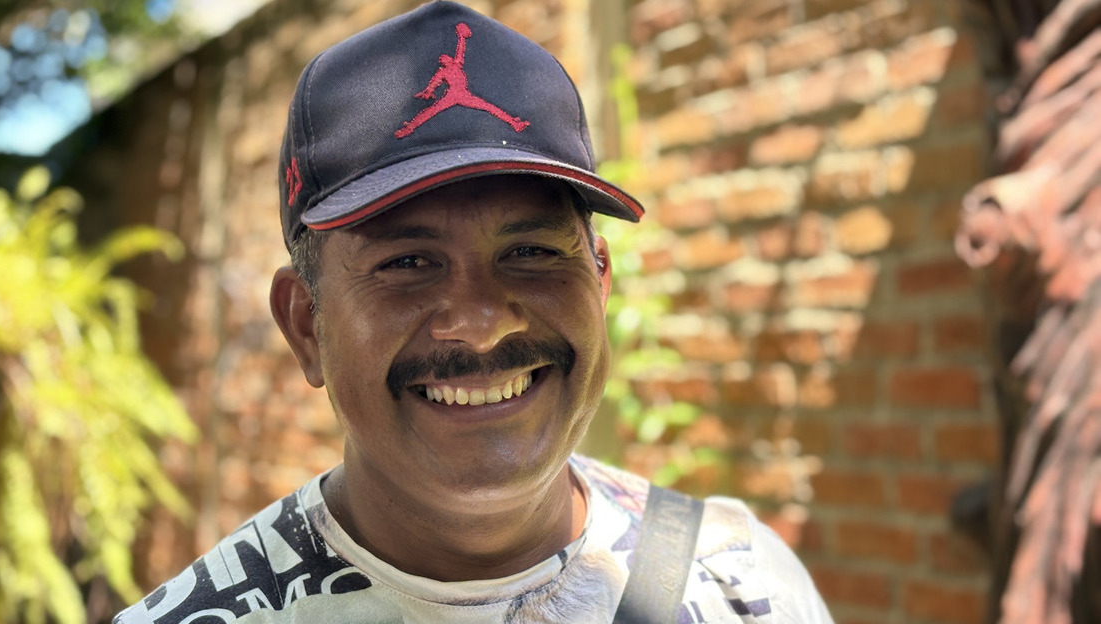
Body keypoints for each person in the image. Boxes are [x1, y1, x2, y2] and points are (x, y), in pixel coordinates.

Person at [115, 2, 833, 622]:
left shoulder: (743, 586)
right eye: (406, 264)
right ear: (306, 323)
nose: (484, 320)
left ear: (601, 281)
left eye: (532, 252)